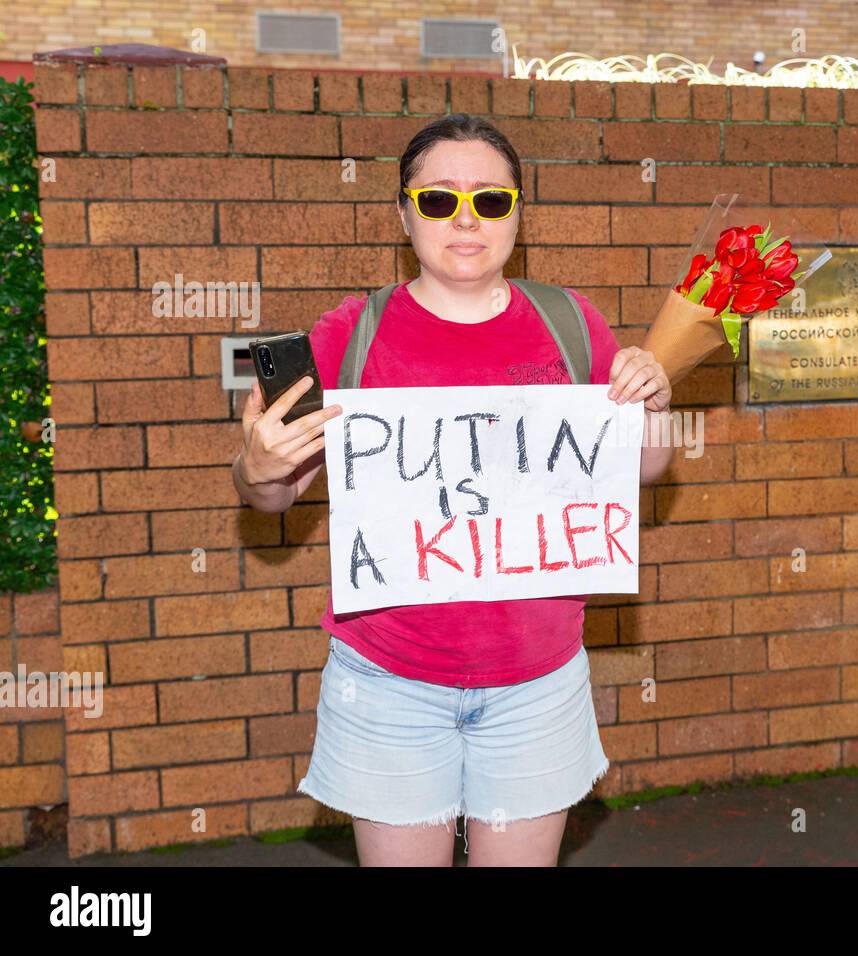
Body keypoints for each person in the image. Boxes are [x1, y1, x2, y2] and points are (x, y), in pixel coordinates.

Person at [231, 114, 674, 866]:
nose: (465, 219)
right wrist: (260, 467)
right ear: (404, 215)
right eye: (438, 200)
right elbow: (270, 496)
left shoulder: (572, 323)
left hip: (537, 682)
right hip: (389, 682)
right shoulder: (349, 334)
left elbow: (644, 469)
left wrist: (654, 406)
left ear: (518, 215)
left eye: (490, 201)